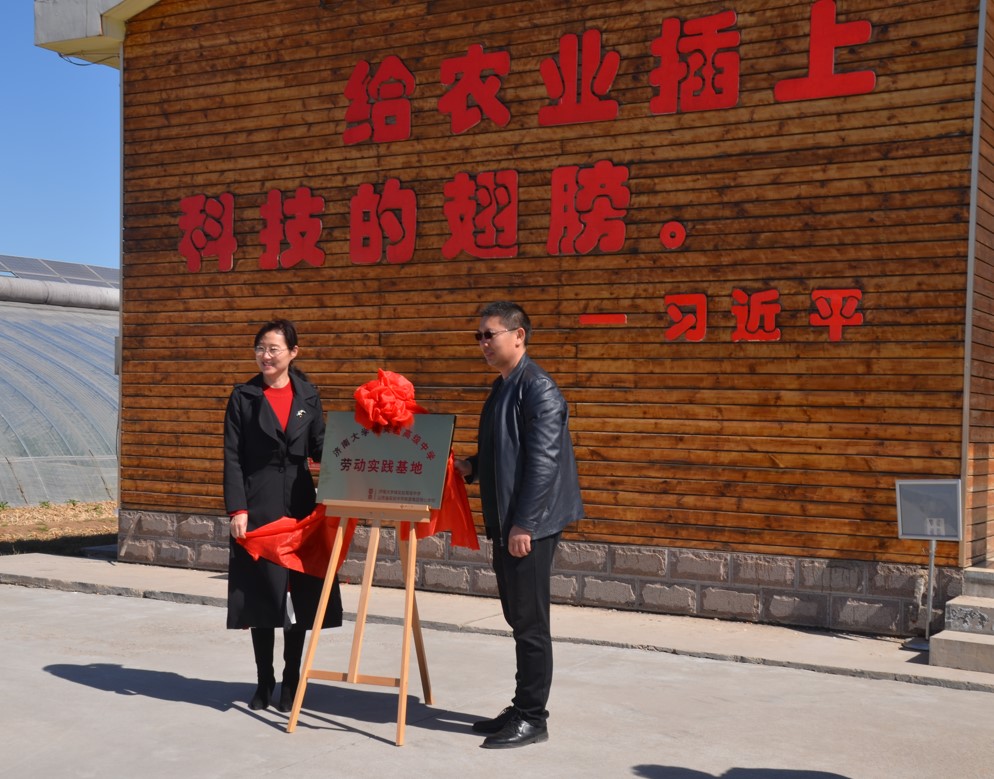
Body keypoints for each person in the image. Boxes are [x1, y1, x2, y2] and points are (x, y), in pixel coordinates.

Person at [454, 301, 584, 749]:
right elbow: (502, 451)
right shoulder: (503, 387)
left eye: (489, 334)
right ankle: (521, 704)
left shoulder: (538, 388)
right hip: (507, 520)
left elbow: (544, 463)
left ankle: (532, 717)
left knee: (530, 622)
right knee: (517, 615)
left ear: (518, 335)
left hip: (530, 523)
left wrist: (524, 524)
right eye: (479, 337)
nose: (483, 343)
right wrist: (470, 467)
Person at [223, 318, 343, 712]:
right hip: (257, 505)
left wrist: (359, 451)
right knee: (262, 595)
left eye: (274, 348)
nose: (266, 355)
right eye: (260, 348)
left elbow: (321, 448)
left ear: (293, 352)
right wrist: (238, 508)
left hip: (299, 505)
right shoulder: (243, 397)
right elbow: (232, 457)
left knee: (299, 597)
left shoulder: (308, 396)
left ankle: (291, 680)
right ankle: (264, 681)